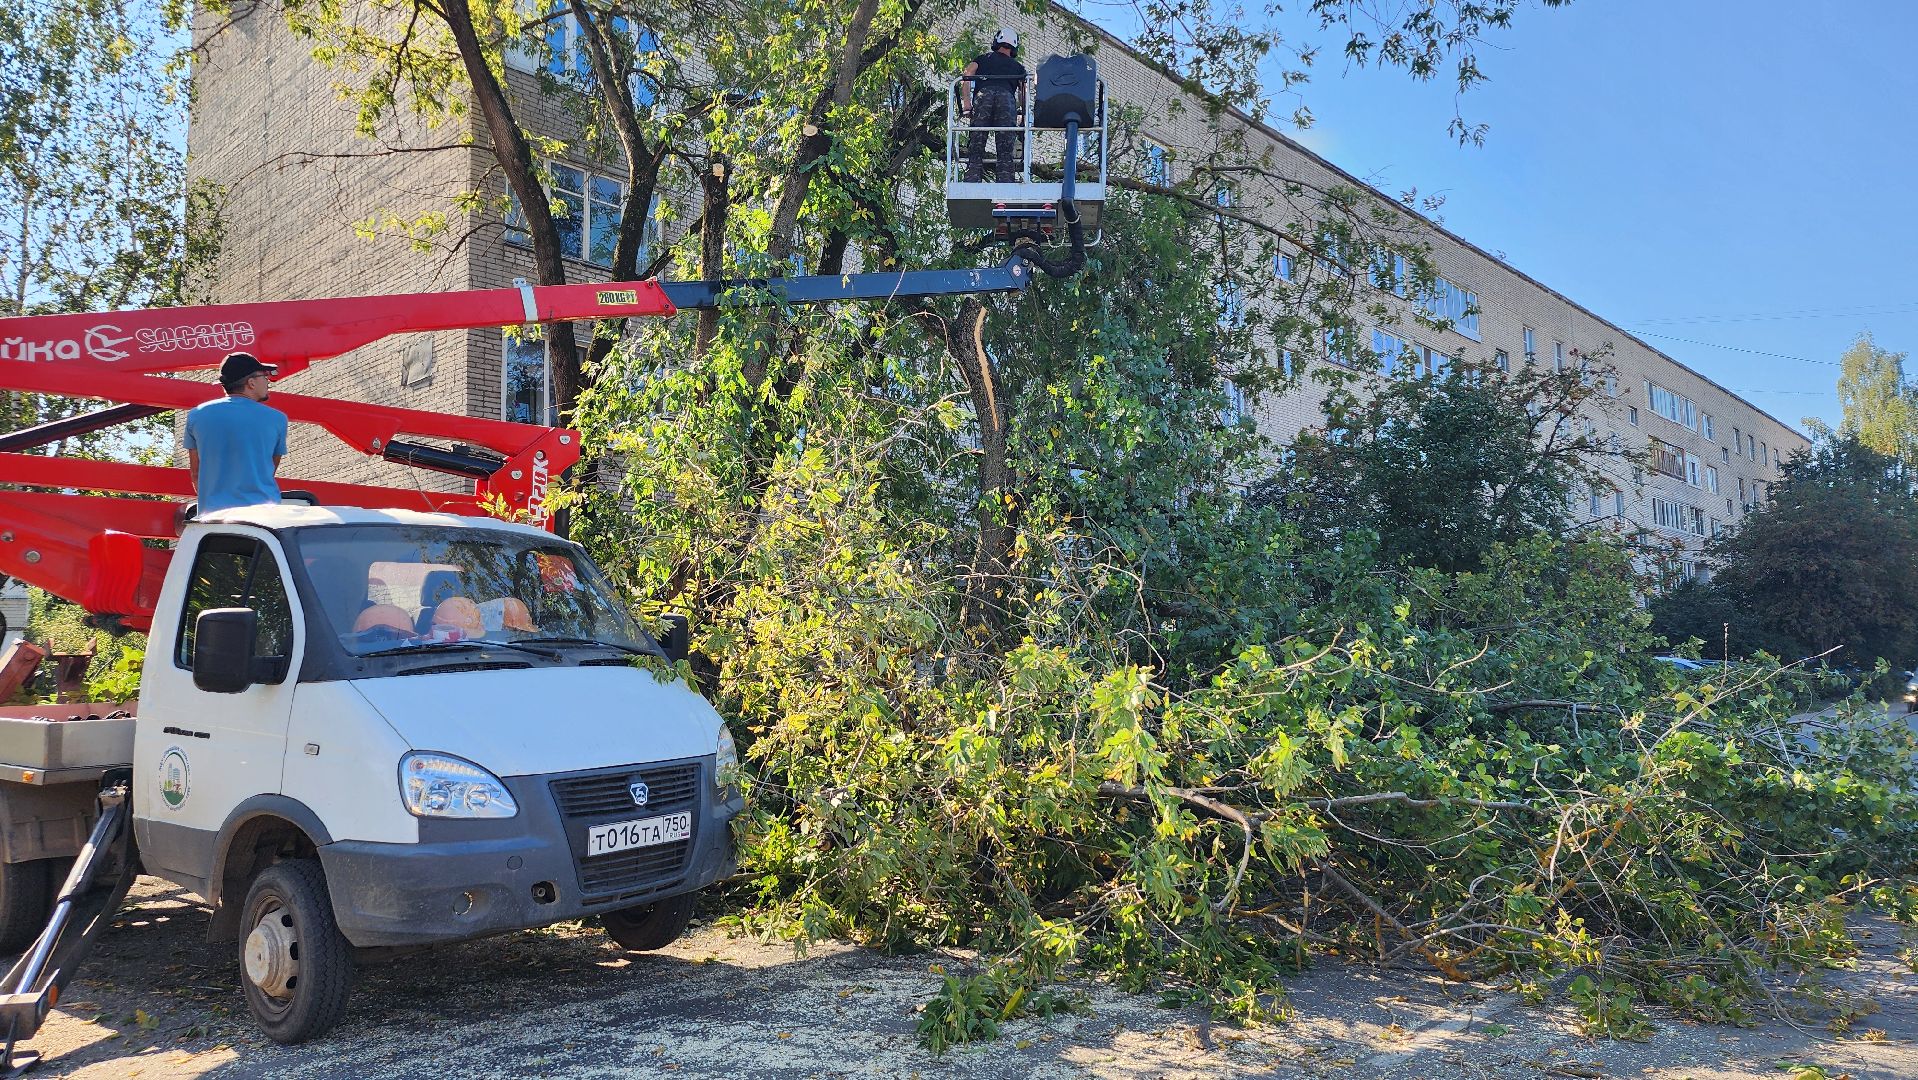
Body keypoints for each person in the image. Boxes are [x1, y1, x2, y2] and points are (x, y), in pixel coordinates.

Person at [184, 352, 288, 515]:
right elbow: (268, 470)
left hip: (213, 516)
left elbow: (195, 474)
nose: (267, 380)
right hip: (263, 515)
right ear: (251, 383)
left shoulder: (196, 415)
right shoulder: (277, 419)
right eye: (264, 376)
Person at [961, 28, 1027, 183]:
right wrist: (1023, 115)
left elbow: (968, 73)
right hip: (1006, 100)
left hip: (983, 96)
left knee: (977, 140)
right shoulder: (1018, 67)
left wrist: (967, 104)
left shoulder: (983, 58)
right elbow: (1023, 92)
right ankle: (1005, 180)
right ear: (1014, 47)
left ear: (997, 42)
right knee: (1005, 145)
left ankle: (972, 177)